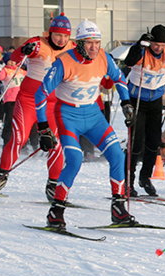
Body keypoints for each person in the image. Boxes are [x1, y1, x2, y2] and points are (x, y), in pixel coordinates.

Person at [37, 20, 135, 228]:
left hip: (93, 116)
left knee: (117, 155)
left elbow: (119, 79)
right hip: (68, 116)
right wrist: (43, 127)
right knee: (74, 159)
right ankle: (56, 210)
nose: (94, 47)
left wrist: (126, 102)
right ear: (80, 44)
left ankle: (118, 208)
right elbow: (41, 93)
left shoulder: (104, 58)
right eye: (89, 43)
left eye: (97, 42)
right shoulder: (64, 62)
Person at [0, 14, 73, 196]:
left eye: (65, 36)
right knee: (18, 139)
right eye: (58, 35)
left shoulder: (72, 48)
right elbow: (15, 57)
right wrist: (25, 50)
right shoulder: (37, 43)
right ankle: (0, 177)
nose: (61, 39)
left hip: (53, 104)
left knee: (56, 144)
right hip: (29, 101)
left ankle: (53, 184)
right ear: (50, 33)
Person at [121, 24, 165, 196]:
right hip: (137, 100)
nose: (158, 48)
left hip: (155, 101)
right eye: (156, 44)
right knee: (136, 143)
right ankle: (128, 181)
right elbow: (129, 61)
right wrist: (139, 45)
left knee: (153, 142)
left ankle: (145, 177)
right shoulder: (142, 49)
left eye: (161, 45)